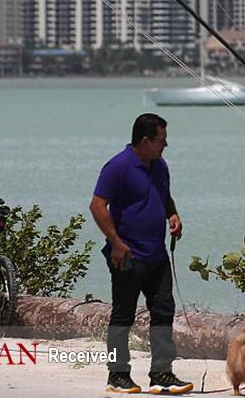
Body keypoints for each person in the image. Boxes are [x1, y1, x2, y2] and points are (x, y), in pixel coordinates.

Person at [90, 113, 193, 395]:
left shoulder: (159, 166)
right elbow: (98, 206)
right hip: (126, 255)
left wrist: (172, 213)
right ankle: (117, 375)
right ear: (145, 140)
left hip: (157, 255)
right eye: (161, 140)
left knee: (163, 311)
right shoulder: (118, 167)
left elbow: (163, 195)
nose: (165, 145)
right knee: (123, 314)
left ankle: (161, 373)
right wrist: (116, 242)